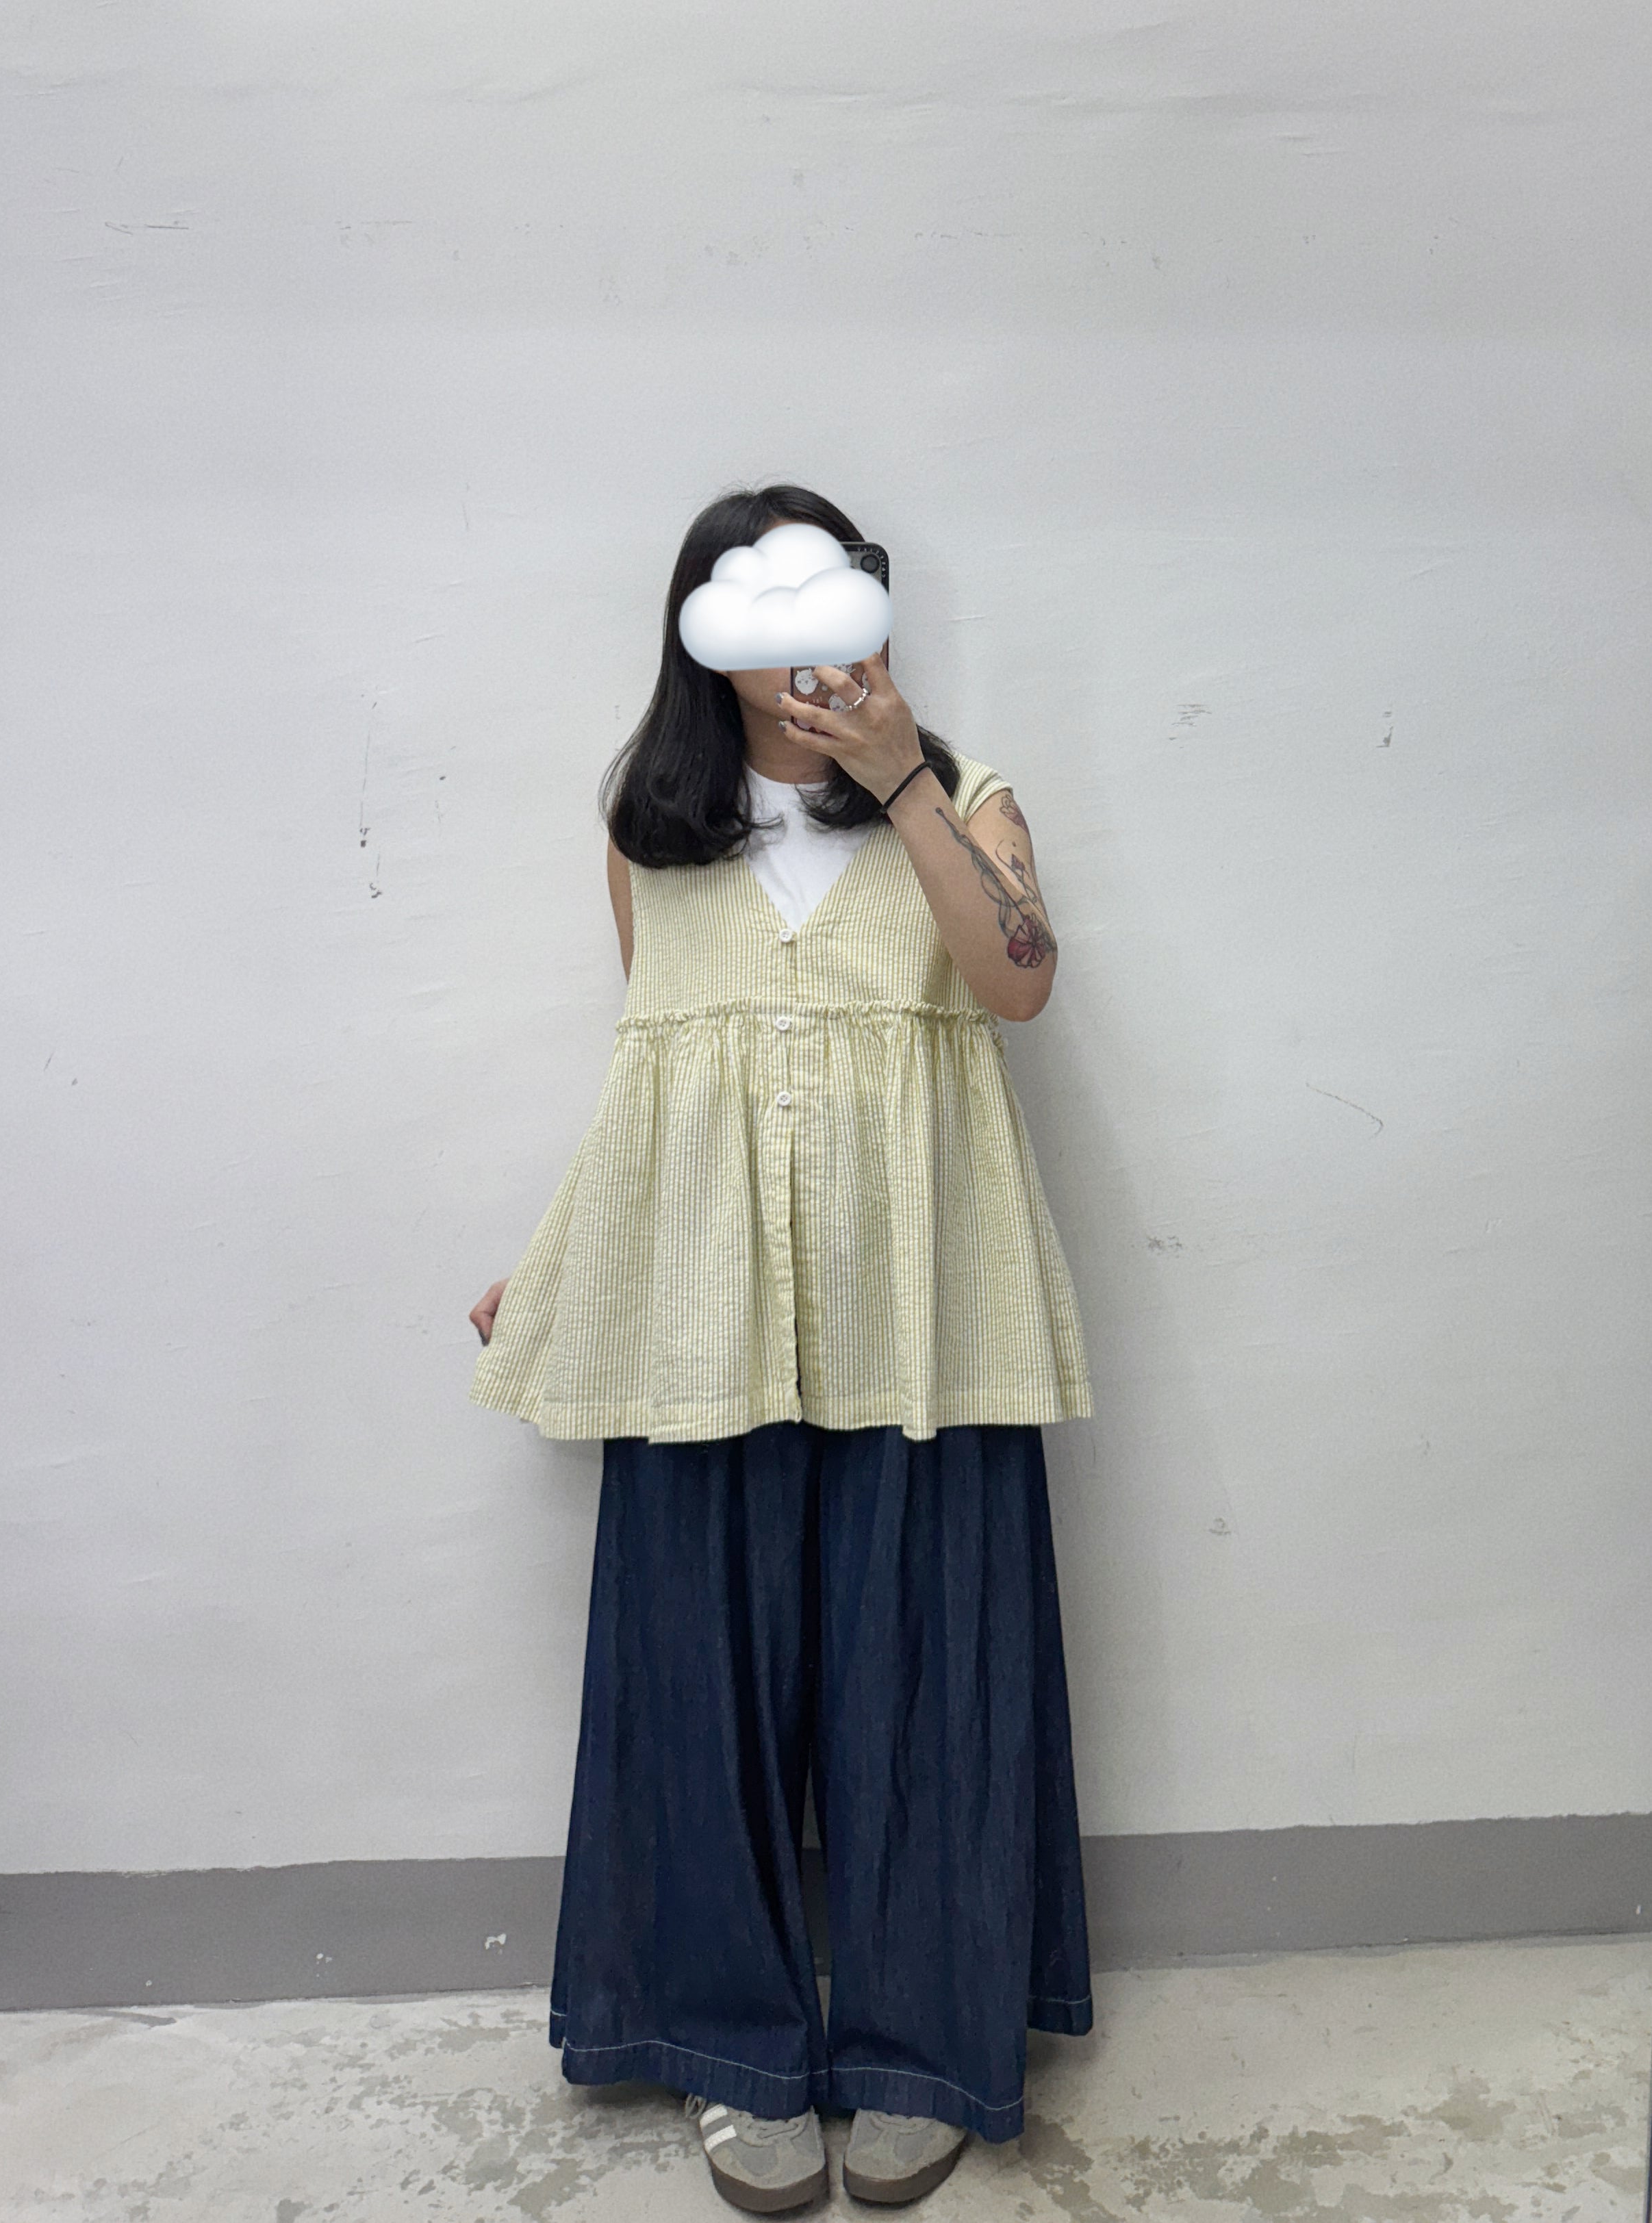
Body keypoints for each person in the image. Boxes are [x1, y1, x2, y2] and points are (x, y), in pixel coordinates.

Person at [468, 483, 1095, 2212]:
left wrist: (900, 781)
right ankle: (728, 2044)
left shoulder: (967, 798)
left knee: (928, 1678)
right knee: (701, 1681)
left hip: (928, 1311)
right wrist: (561, 1264)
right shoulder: (649, 830)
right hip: (701, 1308)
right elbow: (658, 1071)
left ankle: (921, 2044)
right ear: (701, 629)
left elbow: (1020, 983)